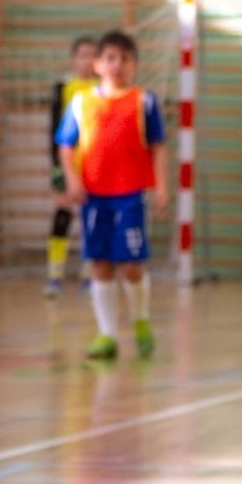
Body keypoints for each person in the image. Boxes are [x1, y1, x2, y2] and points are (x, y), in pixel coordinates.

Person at [55, 30, 169, 360]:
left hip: (130, 195)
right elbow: (65, 147)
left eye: (125, 59)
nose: (117, 64)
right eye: (110, 58)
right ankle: (106, 335)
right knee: (100, 264)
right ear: (97, 64)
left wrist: (161, 185)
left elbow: (158, 147)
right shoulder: (81, 102)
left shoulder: (144, 102)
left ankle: (140, 321)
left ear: (134, 65)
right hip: (94, 196)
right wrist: (72, 181)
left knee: (131, 265)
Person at [45, 36, 98, 297]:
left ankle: (88, 274)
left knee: (93, 217)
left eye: (91, 55)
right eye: (81, 55)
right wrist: (56, 164)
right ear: (73, 59)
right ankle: (55, 274)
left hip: (95, 163)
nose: (86, 60)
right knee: (63, 213)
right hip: (67, 161)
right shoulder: (64, 87)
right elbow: (54, 127)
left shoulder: (104, 89)